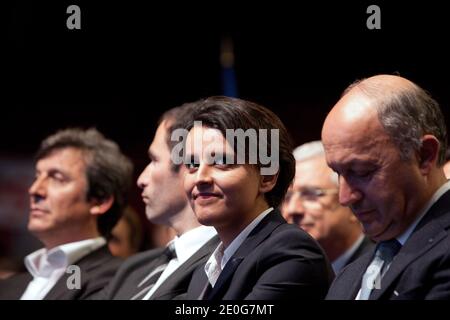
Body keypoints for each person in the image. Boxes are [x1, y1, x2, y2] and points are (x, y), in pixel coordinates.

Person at [184, 96, 334, 300]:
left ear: (267, 177)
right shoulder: (202, 272)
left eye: (221, 161)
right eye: (192, 164)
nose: (200, 177)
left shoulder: (290, 251)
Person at [323, 74, 450, 300]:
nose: (344, 197)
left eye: (361, 172)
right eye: (337, 173)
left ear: (424, 156)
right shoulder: (349, 275)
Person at [96, 103, 218, 300]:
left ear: (190, 166)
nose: (141, 179)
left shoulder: (225, 264)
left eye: (154, 160)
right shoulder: (133, 268)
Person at [0, 128, 133, 299]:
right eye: (37, 176)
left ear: (99, 200)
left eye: (57, 178)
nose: (34, 190)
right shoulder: (9, 286)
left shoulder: (117, 281)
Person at [282, 141, 374, 273]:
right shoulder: (283, 272)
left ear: (351, 203)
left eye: (311, 195)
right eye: (287, 197)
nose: (292, 209)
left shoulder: (380, 271)